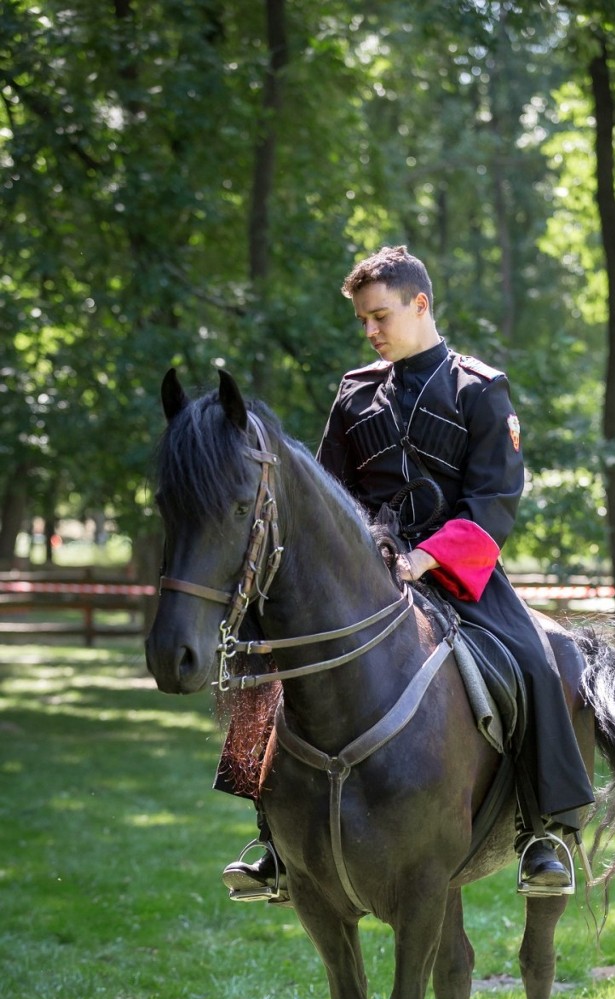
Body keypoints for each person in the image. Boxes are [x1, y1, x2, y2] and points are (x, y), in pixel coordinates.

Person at [222, 245, 595, 903]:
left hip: (458, 575)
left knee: (539, 664)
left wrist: (428, 556)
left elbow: (494, 502)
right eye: (364, 320)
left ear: (419, 304)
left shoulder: (480, 390)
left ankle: (546, 833)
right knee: (272, 668)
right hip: (363, 580)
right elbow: (329, 496)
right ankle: (274, 841)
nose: (371, 331)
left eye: (380, 316)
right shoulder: (355, 392)